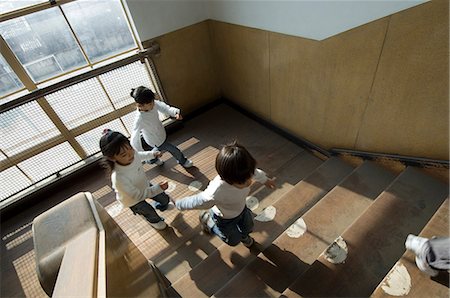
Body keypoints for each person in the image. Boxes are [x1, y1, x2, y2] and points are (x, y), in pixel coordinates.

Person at [173, 141, 276, 247]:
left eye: (249, 176)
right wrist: (180, 204)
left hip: (242, 210)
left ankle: (244, 237)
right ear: (228, 180)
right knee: (233, 241)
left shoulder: (244, 172)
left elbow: (256, 173)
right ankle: (209, 222)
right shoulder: (217, 191)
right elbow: (199, 201)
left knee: (248, 227)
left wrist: (266, 180)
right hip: (224, 218)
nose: (249, 182)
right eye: (242, 181)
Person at [99, 129, 171, 230]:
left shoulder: (132, 154)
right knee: (149, 212)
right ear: (112, 158)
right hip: (132, 200)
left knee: (164, 199)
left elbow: (140, 155)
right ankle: (155, 221)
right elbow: (137, 195)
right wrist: (158, 188)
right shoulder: (118, 177)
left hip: (144, 185)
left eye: (130, 148)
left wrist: (152, 154)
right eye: (124, 155)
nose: (130, 155)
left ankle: (160, 205)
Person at [129, 86, 193, 168]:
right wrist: (141, 154)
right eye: (150, 103)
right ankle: (183, 161)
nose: (153, 104)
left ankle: (151, 159)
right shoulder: (140, 119)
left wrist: (175, 113)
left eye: (152, 102)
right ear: (140, 105)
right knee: (173, 150)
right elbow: (135, 137)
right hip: (154, 140)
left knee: (155, 153)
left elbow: (164, 108)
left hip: (160, 134)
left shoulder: (153, 104)